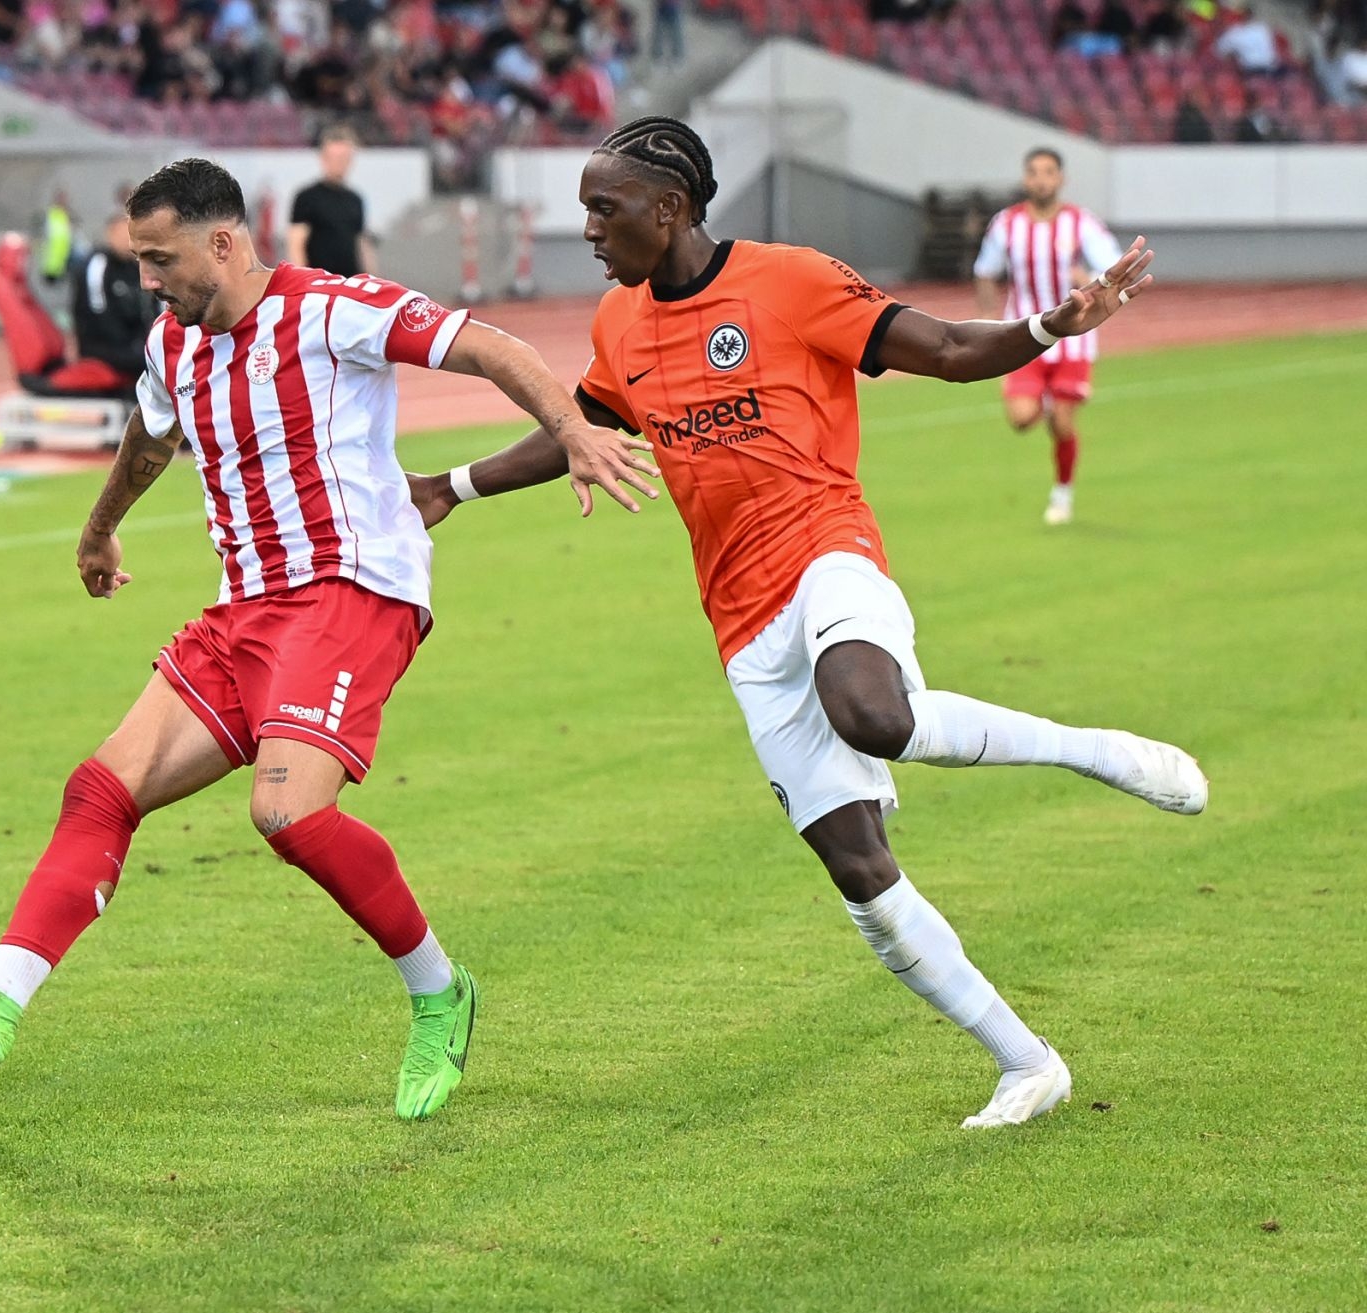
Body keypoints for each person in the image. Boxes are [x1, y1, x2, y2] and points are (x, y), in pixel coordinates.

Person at [412, 118, 1207, 1130]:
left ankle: (1097, 751)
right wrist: (452, 485)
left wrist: (1052, 325)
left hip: (827, 547)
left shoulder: (789, 280)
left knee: (873, 712)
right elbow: (585, 424)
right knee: (859, 871)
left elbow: (949, 349)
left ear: (670, 208)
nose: (590, 231)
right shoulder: (620, 322)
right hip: (739, 617)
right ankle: (1027, 1062)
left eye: (604, 209)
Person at [0, 156, 652, 1122]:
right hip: (245, 609)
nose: (146, 278)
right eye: (140, 258)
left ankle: (441, 992)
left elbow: (489, 347)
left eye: (160, 258)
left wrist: (572, 429)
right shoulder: (172, 343)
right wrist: (100, 529)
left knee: (287, 814)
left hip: (351, 591)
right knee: (102, 787)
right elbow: (152, 436)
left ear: (223, 244)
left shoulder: (331, 310)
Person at [972, 147, 1123, 526]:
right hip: (1023, 334)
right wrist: (988, 316)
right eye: (1034, 173)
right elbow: (985, 270)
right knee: (1021, 419)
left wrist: (1089, 277)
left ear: (1061, 179)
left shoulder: (1080, 223)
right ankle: (1045, 397)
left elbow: (1113, 264)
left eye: (1049, 172)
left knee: (1062, 422)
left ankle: (1062, 494)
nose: (1041, 180)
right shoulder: (1007, 224)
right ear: (1026, 179)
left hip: (1073, 339)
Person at [63, 210, 151, 385]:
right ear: (110, 234)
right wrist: (130, 346)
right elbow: (99, 311)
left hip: (130, 345)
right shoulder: (98, 266)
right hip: (100, 347)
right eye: (123, 234)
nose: (129, 241)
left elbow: (146, 309)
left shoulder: (133, 267)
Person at [285, 125, 374, 277]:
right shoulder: (307, 197)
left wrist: (372, 279)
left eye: (344, 158)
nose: (339, 163)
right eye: (335, 158)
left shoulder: (355, 200)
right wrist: (304, 281)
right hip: (320, 283)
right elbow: (296, 244)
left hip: (350, 282)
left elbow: (361, 244)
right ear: (323, 158)